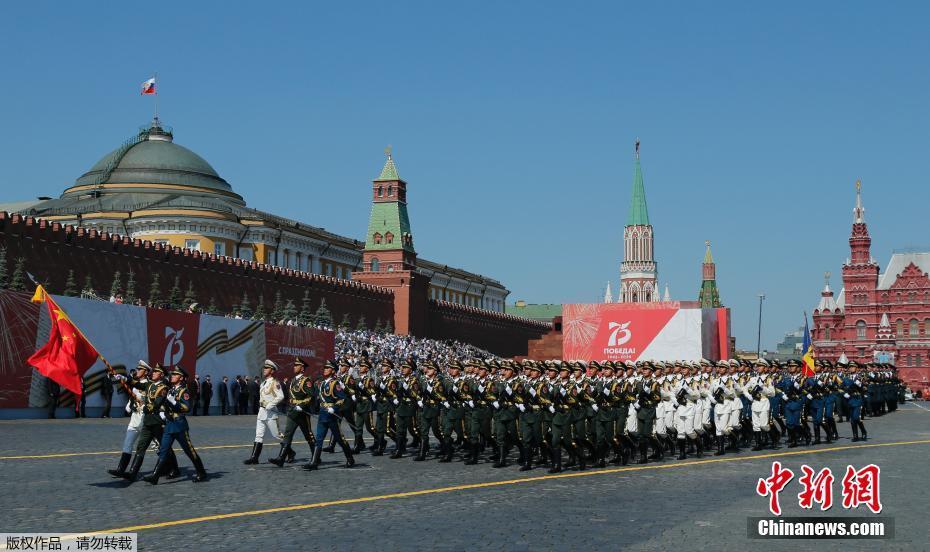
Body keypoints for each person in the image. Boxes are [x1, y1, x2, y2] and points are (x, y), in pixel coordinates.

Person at [142, 366, 208, 484]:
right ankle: (155, 476)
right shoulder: (171, 389)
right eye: (172, 374)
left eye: (175, 375)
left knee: (189, 450)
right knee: (163, 449)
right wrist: (162, 411)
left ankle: (201, 472)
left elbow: (187, 407)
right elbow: (163, 404)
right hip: (169, 424)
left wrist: (174, 402)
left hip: (179, 425)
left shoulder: (184, 391)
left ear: (181, 378)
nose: (172, 376)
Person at [115, 364, 180, 483]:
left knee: (164, 447)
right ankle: (132, 473)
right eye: (153, 371)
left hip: (157, 422)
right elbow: (137, 384)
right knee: (141, 447)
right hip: (147, 422)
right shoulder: (149, 384)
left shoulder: (163, 387)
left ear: (161, 375)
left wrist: (147, 407)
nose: (153, 373)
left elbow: (158, 403)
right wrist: (123, 378)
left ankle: (175, 468)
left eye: (156, 372)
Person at [305, 360, 355, 470]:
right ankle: (314, 462)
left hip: (332, 416)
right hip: (323, 414)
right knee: (319, 439)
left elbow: (342, 398)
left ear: (332, 371)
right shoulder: (322, 383)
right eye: (324, 368)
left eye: (327, 368)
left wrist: (334, 407)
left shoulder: (335, 383)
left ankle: (350, 459)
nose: (325, 369)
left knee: (340, 439)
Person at [269, 357, 316, 467]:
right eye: (294, 365)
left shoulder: (306, 380)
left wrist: (302, 405)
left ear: (302, 368)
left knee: (308, 435)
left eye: (297, 365)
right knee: (287, 435)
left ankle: (316, 456)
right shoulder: (293, 380)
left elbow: (311, 396)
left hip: (302, 413)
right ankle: (281, 458)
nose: (294, 367)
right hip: (292, 412)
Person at [107, 361, 149, 478]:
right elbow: (133, 395)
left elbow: (150, 401)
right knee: (128, 443)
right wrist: (130, 404)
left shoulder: (149, 384)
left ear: (145, 372)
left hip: (145, 420)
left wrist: (142, 404)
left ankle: (169, 466)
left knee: (157, 446)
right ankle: (121, 469)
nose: (137, 371)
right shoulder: (136, 383)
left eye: (140, 369)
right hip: (135, 419)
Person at [244, 360, 286, 465]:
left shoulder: (275, 382)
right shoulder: (263, 383)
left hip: (271, 413)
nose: (264, 370)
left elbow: (281, 396)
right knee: (258, 435)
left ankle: (290, 452)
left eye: (266, 368)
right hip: (262, 411)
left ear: (272, 371)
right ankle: (254, 458)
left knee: (277, 435)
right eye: (264, 368)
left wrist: (270, 405)